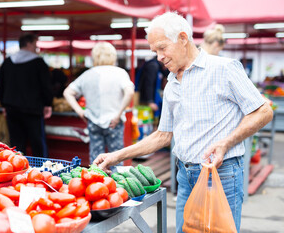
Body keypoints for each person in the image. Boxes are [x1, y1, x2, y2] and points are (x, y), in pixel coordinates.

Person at [93, 12, 273, 233]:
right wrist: (115, 156)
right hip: (185, 176)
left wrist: (226, 142)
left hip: (221, 174)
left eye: (162, 48)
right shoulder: (171, 83)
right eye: (154, 51)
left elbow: (263, 111)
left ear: (183, 38)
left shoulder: (223, 69)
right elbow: (163, 135)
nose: (158, 56)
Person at [63, 42, 134, 166]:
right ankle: (116, 184)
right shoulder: (120, 73)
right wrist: (118, 114)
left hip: (93, 121)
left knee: (95, 159)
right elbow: (130, 92)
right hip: (114, 122)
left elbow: (67, 92)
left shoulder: (87, 75)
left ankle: (95, 182)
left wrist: (80, 112)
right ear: (113, 56)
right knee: (116, 157)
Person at [0, 33, 53, 158]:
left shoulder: (7, 62)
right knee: (37, 144)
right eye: (35, 45)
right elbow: (46, 86)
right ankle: (41, 172)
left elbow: (0, 85)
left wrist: (4, 104)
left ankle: (18, 172)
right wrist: (48, 103)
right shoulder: (38, 63)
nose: (36, 48)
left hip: (12, 110)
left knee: (16, 145)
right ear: (28, 44)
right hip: (33, 110)